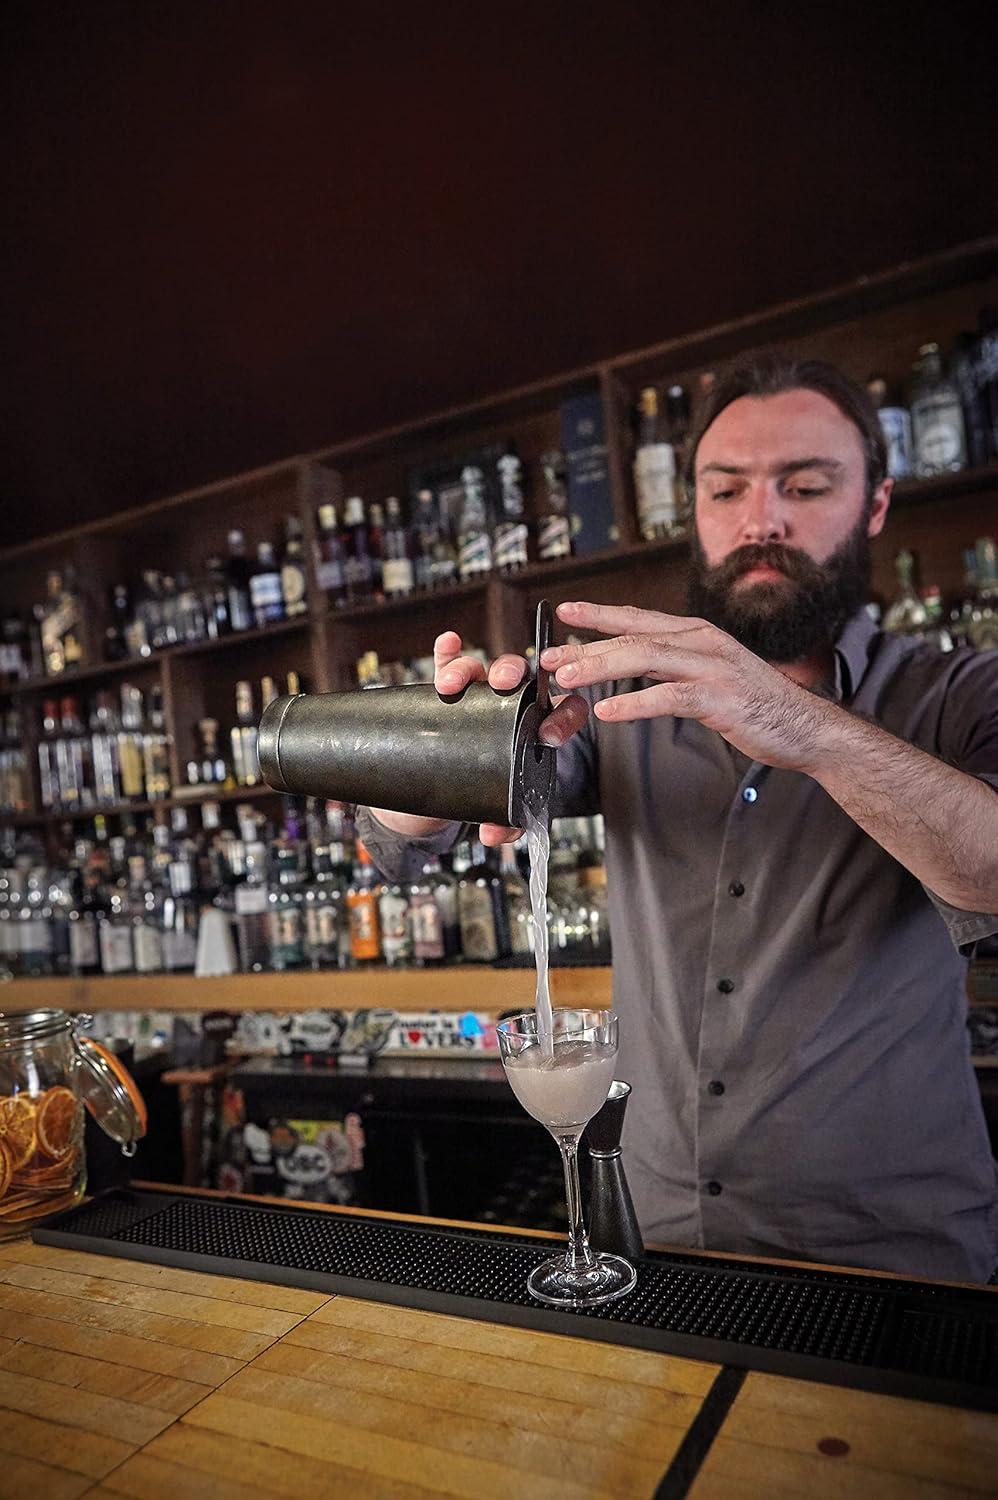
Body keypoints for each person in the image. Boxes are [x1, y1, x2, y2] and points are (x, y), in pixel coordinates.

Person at [358, 353, 998, 1282]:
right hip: (652, 1231)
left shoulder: (958, 692)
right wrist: (444, 740)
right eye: (724, 488)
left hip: (889, 1249)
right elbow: (402, 848)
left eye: (806, 485)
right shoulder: (626, 701)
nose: (760, 520)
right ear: (691, 510)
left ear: (876, 505)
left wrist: (797, 726)